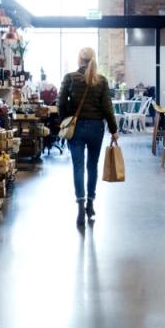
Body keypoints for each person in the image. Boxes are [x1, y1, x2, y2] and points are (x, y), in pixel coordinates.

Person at [58, 47, 118, 226]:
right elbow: (108, 108)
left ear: (79, 59)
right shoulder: (101, 81)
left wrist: (65, 120)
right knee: (92, 166)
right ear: (93, 60)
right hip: (96, 129)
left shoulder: (70, 78)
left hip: (76, 128)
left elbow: (60, 102)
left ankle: (80, 208)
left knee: (78, 167)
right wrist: (114, 130)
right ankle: (90, 204)